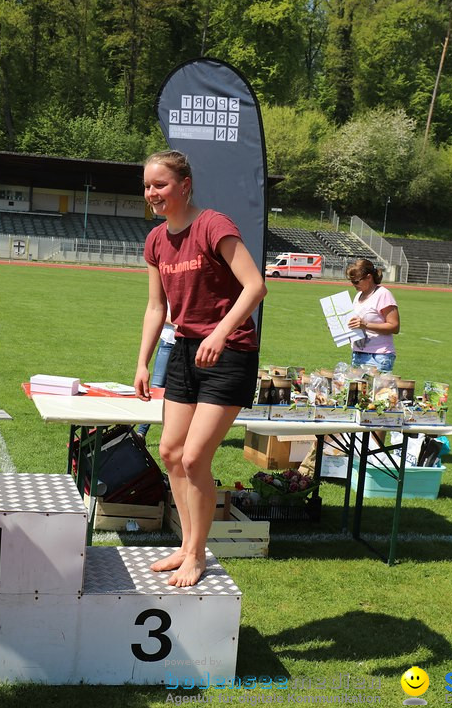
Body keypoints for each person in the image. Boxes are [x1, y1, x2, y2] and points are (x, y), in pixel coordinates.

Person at [133, 150, 267, 587]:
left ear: (185, 184)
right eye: (149, 185)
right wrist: (143, 361)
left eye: (161, 184)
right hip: (184, 352)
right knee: (171, 452)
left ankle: (196, 554)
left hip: (229, 353)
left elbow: (255, 286)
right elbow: (157, 307)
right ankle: (186, 545)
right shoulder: (155, 241)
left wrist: (221, 333)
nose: (153, 193)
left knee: (194, 458)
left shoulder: (213, 225)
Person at [345, 258, 400, 372]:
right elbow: (355, 324)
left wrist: (366, 325)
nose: (353, 284)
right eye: (351, 281)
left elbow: (394, 326)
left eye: (356, 281)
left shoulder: (383, 294)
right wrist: (339, 325)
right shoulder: (358, 296)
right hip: (358, 354)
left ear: (369, 277)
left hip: (378, 356)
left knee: (374, 390)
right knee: (357, 390)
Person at [134, 311, 175, 441]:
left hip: (190, 344)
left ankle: (172, 437)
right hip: (168, 341)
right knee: (155, 387)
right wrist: (178, 321)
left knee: (180, 390)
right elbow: (160, 314)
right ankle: (141, 433)